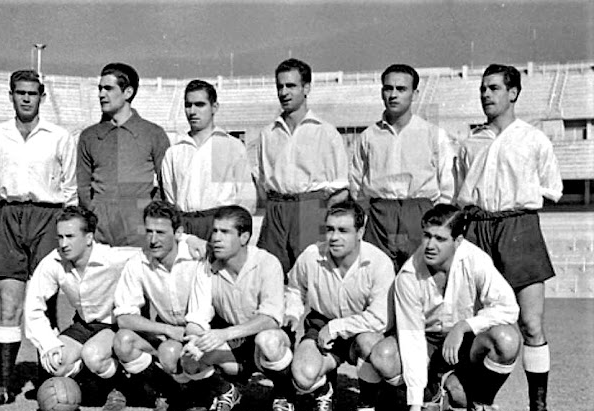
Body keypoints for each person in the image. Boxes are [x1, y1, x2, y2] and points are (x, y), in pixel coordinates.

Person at [455, 64, 563, 411]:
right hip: (478, 228)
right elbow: (459, 194)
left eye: (495, 88)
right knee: (472, 319)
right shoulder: (471, 142)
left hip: (520, 226)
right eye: (483, 88)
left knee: (531, 323)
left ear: (513, 92)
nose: (486, 95)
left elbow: (551, 189)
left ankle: (539, 407)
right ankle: (476, 399)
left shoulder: (534, 140)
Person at [374, 204, 520, 411]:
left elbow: (508, 307)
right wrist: (414, 404)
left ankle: (482, 404)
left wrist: (465, 326)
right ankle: (430, 398)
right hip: (427, 341)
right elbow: (412, 338)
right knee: (383, 354)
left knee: (507, 339)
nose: (430, 245)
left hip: (466, 342)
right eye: (427, 236)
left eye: (440, 239)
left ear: (458, 240)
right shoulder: (409, 275)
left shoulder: (476, 260)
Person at [0, 69, 77, 406]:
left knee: (46, 306)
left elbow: (70, 188)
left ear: (42, 97)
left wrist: (49, 217)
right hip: (10, 216)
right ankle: (5, 385)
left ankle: (46, 379)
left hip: (47, 216)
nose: (26, 98)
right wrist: (12, 215)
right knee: (9, 307)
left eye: (32, 93)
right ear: (11, 95)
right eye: (19, 92)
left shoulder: (59, 136)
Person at [287, 200, 395, 411]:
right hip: (321, 322)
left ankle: (367, 405)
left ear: (360, 232)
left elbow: (380, 317)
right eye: (330, 229)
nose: (334, 237)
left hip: (363, 327)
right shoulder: (311, 255)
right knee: (303, 377)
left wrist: (337, 327)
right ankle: (325, 389)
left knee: (370, 343)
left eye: (343, 230)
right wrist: (291, 314)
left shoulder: (379, 262)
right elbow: (295, 289)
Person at [183, 206, 295, 411]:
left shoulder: (267, 263)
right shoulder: (206, 266)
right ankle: (226, 390)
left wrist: (225, 334)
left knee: (268, 340)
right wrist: (195, 339)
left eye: (225, 232)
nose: (216, 238)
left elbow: (271, 318)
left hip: (264, 340)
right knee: (189, 356)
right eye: (214, 231)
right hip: (234, 345)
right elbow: (196, 318)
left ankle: (284, 396)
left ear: (244, 237)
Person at [24, 206, 139, 409]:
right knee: (56, 362)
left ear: (88, 238)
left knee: (93, 355)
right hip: (84, 325)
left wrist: (187, 242)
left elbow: (150, 254)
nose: (63, 244)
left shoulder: (113, 258)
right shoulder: (53, 261)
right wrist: (49, 344)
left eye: (70, 236)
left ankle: (120, 386)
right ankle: (88, 383)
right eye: (60, 237)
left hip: (113, 326)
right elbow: (33, 306)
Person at [350, 64, 456, 272]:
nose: (393, 95)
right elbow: (356, 182)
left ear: (414, 93)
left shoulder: (432, 134)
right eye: (388, 88)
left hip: (419, 213)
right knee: (377, 277)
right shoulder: (368, 136)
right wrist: (370, 214)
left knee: (422, 279)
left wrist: (435, 220)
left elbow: (448, 183)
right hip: (380, 215)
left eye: (401, 89)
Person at [111, 200, 212, 411]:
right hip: (170, 330)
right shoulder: (138, 262)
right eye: (149, 232)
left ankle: (201, 394)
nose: (153, 239)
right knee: (123, 341)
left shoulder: (196, 256)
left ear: (178, 233)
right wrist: (166, 330)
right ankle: (165, 391)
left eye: (161, 232)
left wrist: (192, 239)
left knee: (171, 352)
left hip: (204, 330)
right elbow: (124, 317)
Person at [255, 58, 349, 274]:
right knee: (270, 273)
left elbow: (342, 188)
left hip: (311, 208)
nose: (284, 92)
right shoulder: (268, 134)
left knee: (312, 274)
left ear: (306, 88)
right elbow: (263, 180)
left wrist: (318, 212)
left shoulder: (326, 132)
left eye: (291, 86)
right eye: (280, 86)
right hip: (277, 210)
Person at [77, 62, 170, 247]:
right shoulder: (89, 136)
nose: (101, 94)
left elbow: (166, 184)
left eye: (109, 89)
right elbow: (83, 187)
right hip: (101, 231)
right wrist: (97, 213)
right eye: (100, 88)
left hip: (139, 231)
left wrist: (146, 212)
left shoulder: (153, 133)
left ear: (128, 92)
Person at [161, 80, 256, 240]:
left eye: (200, 105)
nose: (192, 111)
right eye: (188, 105)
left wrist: (234, 232)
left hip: (220, 223)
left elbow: (246, 196)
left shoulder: (232, 146)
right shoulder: (174, 152)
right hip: (186, 225)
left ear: (214, 107)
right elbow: (170, 198)